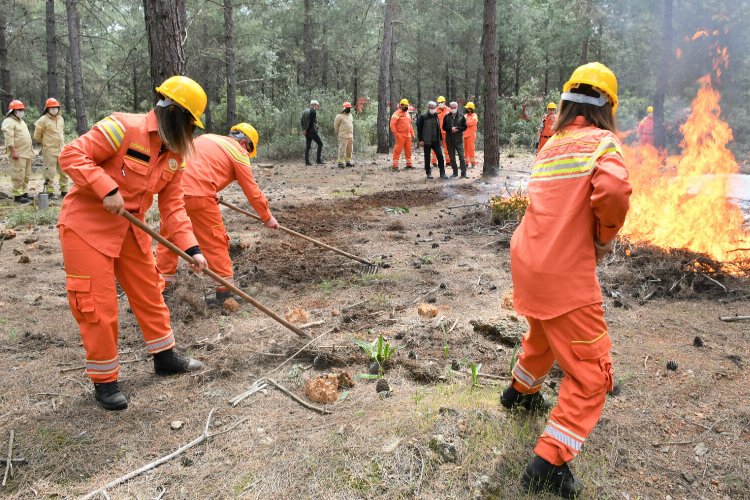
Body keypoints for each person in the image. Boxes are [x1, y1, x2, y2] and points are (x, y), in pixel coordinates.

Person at [501, 62, 631, 497]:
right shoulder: (602, 143)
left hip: (528, 261)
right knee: (592, 373)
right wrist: (603, 236)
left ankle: (519, 393)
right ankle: (550, 461)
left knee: (543, 333)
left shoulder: (552, 143)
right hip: (564, 273)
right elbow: (613, 193)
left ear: (568, 102)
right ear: (607, 107)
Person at [57, 75, 209, 411]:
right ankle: (105, 380)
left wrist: (193, 250)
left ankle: (164, 357)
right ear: (175, 114)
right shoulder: (121, 127)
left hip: (131, 229)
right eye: (190, 124)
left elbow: (174, 208)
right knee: (98, 304)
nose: (191, 133)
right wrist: (105, 188)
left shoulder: (174, 156)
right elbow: (71, 155)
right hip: (87, 227)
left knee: (150, 292)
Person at [157, 122, 279, 304]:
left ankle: (161, 288)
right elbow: (252, 191)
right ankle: (225, 292)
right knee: (215, 240)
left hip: (170, 194)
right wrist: (267, 217)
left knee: (168, 240)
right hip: (199, 196)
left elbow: (196, 167)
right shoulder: (238, 152)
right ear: (245, 144)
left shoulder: (207, 138)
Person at [34, 98, 68, 199]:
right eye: (52, 107)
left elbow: (62, 132)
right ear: (47, 108)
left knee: (64, 171)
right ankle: (50, 192)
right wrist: (46, 143)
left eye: (56, 107)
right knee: (50, 172)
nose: (54, 109)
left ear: (58, 108)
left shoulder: (61, 119)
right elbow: (37, 136)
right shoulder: (42, 120)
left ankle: (64, 190)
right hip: (49, 151)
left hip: (61, 150)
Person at [2, 100, 34, 204]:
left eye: (22, 110)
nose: (22, 111)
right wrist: (13, 151)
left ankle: (24, 192)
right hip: (18, 153)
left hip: (27, 153)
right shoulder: (8, 121)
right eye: (20, 110)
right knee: (18, 175)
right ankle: (17, 196)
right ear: (14, 111)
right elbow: (9, 137)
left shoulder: (21, 121)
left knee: (26, 175)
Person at [416, 101, 446, 179]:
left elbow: (438, 128)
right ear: (428, 107)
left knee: (440, 155)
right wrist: (420, 140)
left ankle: (442, 173)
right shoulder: (423, 117)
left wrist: (441, 139)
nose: (432, 109)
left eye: (434, 107)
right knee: (427, 157)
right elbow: (419, 129)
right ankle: (428, 172)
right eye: (431, 107)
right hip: (426, 141)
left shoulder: (436, 116)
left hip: (435, 140)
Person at [442, 101, 468, 178]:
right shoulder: (446, 116)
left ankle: (463, 173)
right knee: (452, 158)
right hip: (449, 140)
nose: (453, 109)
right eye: (452, 107)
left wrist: (457, 129)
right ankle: (455, 173)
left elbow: (465, 127)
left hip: (459, 140)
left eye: (454, 107)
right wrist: (450, 129)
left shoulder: (461, 116)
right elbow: (444, 127)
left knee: (462, 157)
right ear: (450, 108)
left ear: (457, 108)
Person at [389, 98, 414, 171]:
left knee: (408, 150)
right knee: (397, 150)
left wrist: (412, 133)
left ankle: (409, 165)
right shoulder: (396, 114)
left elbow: (410, 124)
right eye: (405, 105)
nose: (406, 107)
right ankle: (395, 166)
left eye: (407, 105)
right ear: (401, 105)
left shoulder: (408, 114)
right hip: (400, 135)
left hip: (408, 135)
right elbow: (392, 125)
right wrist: (396, 134)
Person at [301, 100, 324, 165]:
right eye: (317, 105)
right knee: (320, 144)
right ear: (313, 105)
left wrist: (303, 130)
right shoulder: (313, 111)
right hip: (312, 132)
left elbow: (302, 121)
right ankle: (318, 160)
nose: (317, 107)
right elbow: (310, 122)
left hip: (307, 132)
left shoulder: (305, 111)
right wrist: (306, 130)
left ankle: (307, 161)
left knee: (308, 146)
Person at [431, 96, 451, 168]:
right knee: (435, 146)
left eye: (441, 102)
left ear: (444, 102)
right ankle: (434, 162)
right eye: (439, 102)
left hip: (446, 132)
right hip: (437, 132)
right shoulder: (435, 111)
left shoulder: (449, 110)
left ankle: (448, 161)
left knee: (447, 147)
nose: (440, 103)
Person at [334, 102, 354, 168]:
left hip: (350, 135)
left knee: (350, 150)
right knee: (342, 149)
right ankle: (340, 162)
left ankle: (348, 161)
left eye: (350, 108)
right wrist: (338, 133)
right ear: (344, 108)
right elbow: (336, 126)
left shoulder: (350, 115)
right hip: (343, 135)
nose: (349, 109)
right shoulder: (339, 116)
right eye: (348, 108)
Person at [463, 102, 478, 168]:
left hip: (471, 135)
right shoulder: (465, 115)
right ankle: (466, 163)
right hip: (465, 134)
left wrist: (465, 123)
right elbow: (462, 122)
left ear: (470, 109)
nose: (466, 109)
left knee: (471, 149)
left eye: (467, 108)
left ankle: (473, 163)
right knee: (465, 149)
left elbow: (470, 123)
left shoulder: (474, 115)